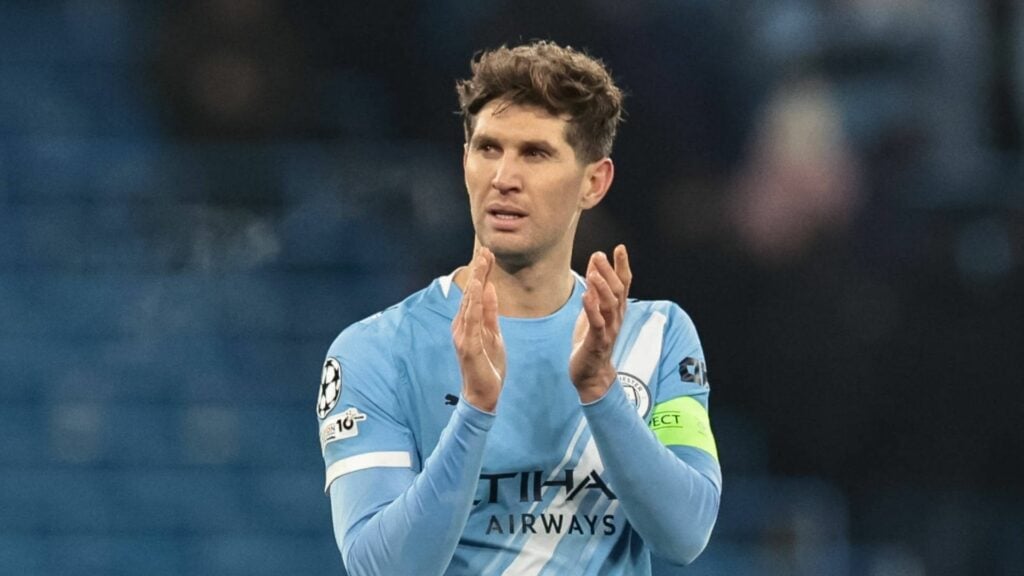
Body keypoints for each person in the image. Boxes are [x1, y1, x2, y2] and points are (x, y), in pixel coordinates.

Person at [316, 40, 721, 575]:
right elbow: (383, 568)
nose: (504, 177)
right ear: (465, 163)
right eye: (488, 148)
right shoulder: (375, 350)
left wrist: (601, 391)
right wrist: (476, 409)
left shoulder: (655, 335)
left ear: (594, 182)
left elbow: (686, 533)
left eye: (535, 153)